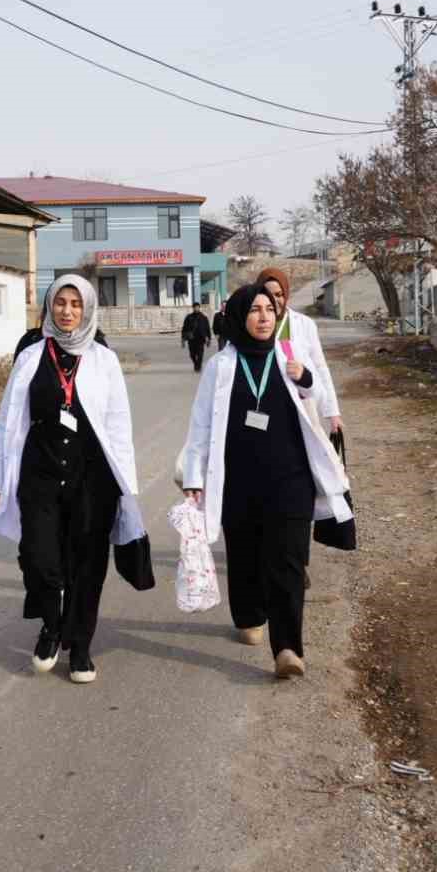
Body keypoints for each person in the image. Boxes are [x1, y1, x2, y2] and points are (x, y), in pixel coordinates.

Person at [179, 284, 352, 679]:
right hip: (238, 482)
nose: (263, 317)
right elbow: (201, 424)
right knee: (244, 555)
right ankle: (249, 614)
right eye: (255, 310)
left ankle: (288, 648)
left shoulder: (289, 353)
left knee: (287, 561)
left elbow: (316, 390)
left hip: (290, 479)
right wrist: (193, 475)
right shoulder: (221, 365)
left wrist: (305, 377)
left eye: (270, 309)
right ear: (240, 316)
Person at [0, 274, 148, 684]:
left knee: (88, 563)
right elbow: (8, 419)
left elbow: (119, 425)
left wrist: (127, 488)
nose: (67, 311)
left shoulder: (104, 360)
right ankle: (52, 625)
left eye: (76, 304)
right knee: (39, 556)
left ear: (87, 309)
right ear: (49, 306)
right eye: (60, 302)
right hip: (39, 471)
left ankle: (82, 646)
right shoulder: (31, 355)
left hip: (93, 478)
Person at [256, 267, 344, 437]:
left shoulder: (304, 324)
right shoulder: (252, 325)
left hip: (302, 404)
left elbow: (320, 367)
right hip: (266, 405)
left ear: (286, 294)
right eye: (267, 294)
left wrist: (332, 412)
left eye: (279, 294)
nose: (274, 300)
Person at [180, 303, 212, 372]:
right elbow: (184, 328)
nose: (196, 308)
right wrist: (183, 339)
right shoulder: (189, 317)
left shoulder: (203, 317)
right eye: (195, 307)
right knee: (192, 354)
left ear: (199, 308)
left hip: (201, 339)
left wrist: (209, 338)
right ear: (193, 308)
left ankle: (198, 366)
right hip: (191, 338)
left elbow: (207, 329)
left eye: (197, 307)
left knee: (200, 354)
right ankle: (196, 363)